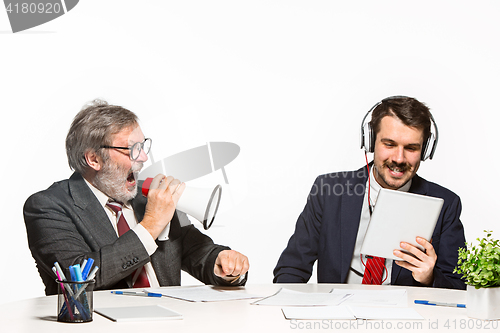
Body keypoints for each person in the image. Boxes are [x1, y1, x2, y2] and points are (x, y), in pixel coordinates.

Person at [24, 99, 249, 295]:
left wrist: (224, 265)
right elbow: (78, 280)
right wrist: (151, 225)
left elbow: (198, 253)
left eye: (143, 146)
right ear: (94, 159)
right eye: (132, 149)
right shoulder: (47, 207)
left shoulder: (149, 197)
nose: (143, 157)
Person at [273, 96, 465, 290]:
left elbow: (459, 288)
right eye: (389, 144)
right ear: (371, 142)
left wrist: (428, 277)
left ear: (424, 151)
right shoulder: (328, 191)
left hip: (404, 317)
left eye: (411, 148)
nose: (399, 158)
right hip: (339, 313)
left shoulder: (446, 204)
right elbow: (291, 270)